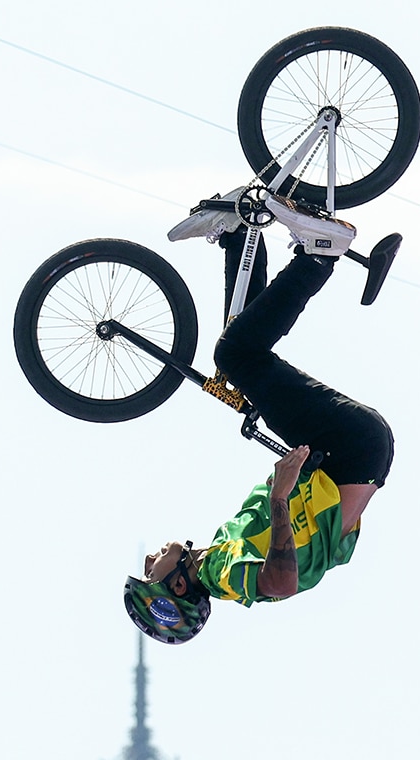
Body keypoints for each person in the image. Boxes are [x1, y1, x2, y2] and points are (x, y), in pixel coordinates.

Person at [124, 189, 395, 644]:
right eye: (151, 572)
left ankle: (238, 235)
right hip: (350, 452)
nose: (149, 561)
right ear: (176, 586)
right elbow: (281, 585)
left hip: (344, 452)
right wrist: (279, 497)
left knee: (237, 359)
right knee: (236, 354)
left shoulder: (221, 548)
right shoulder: (222, 574)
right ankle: (319, 255)